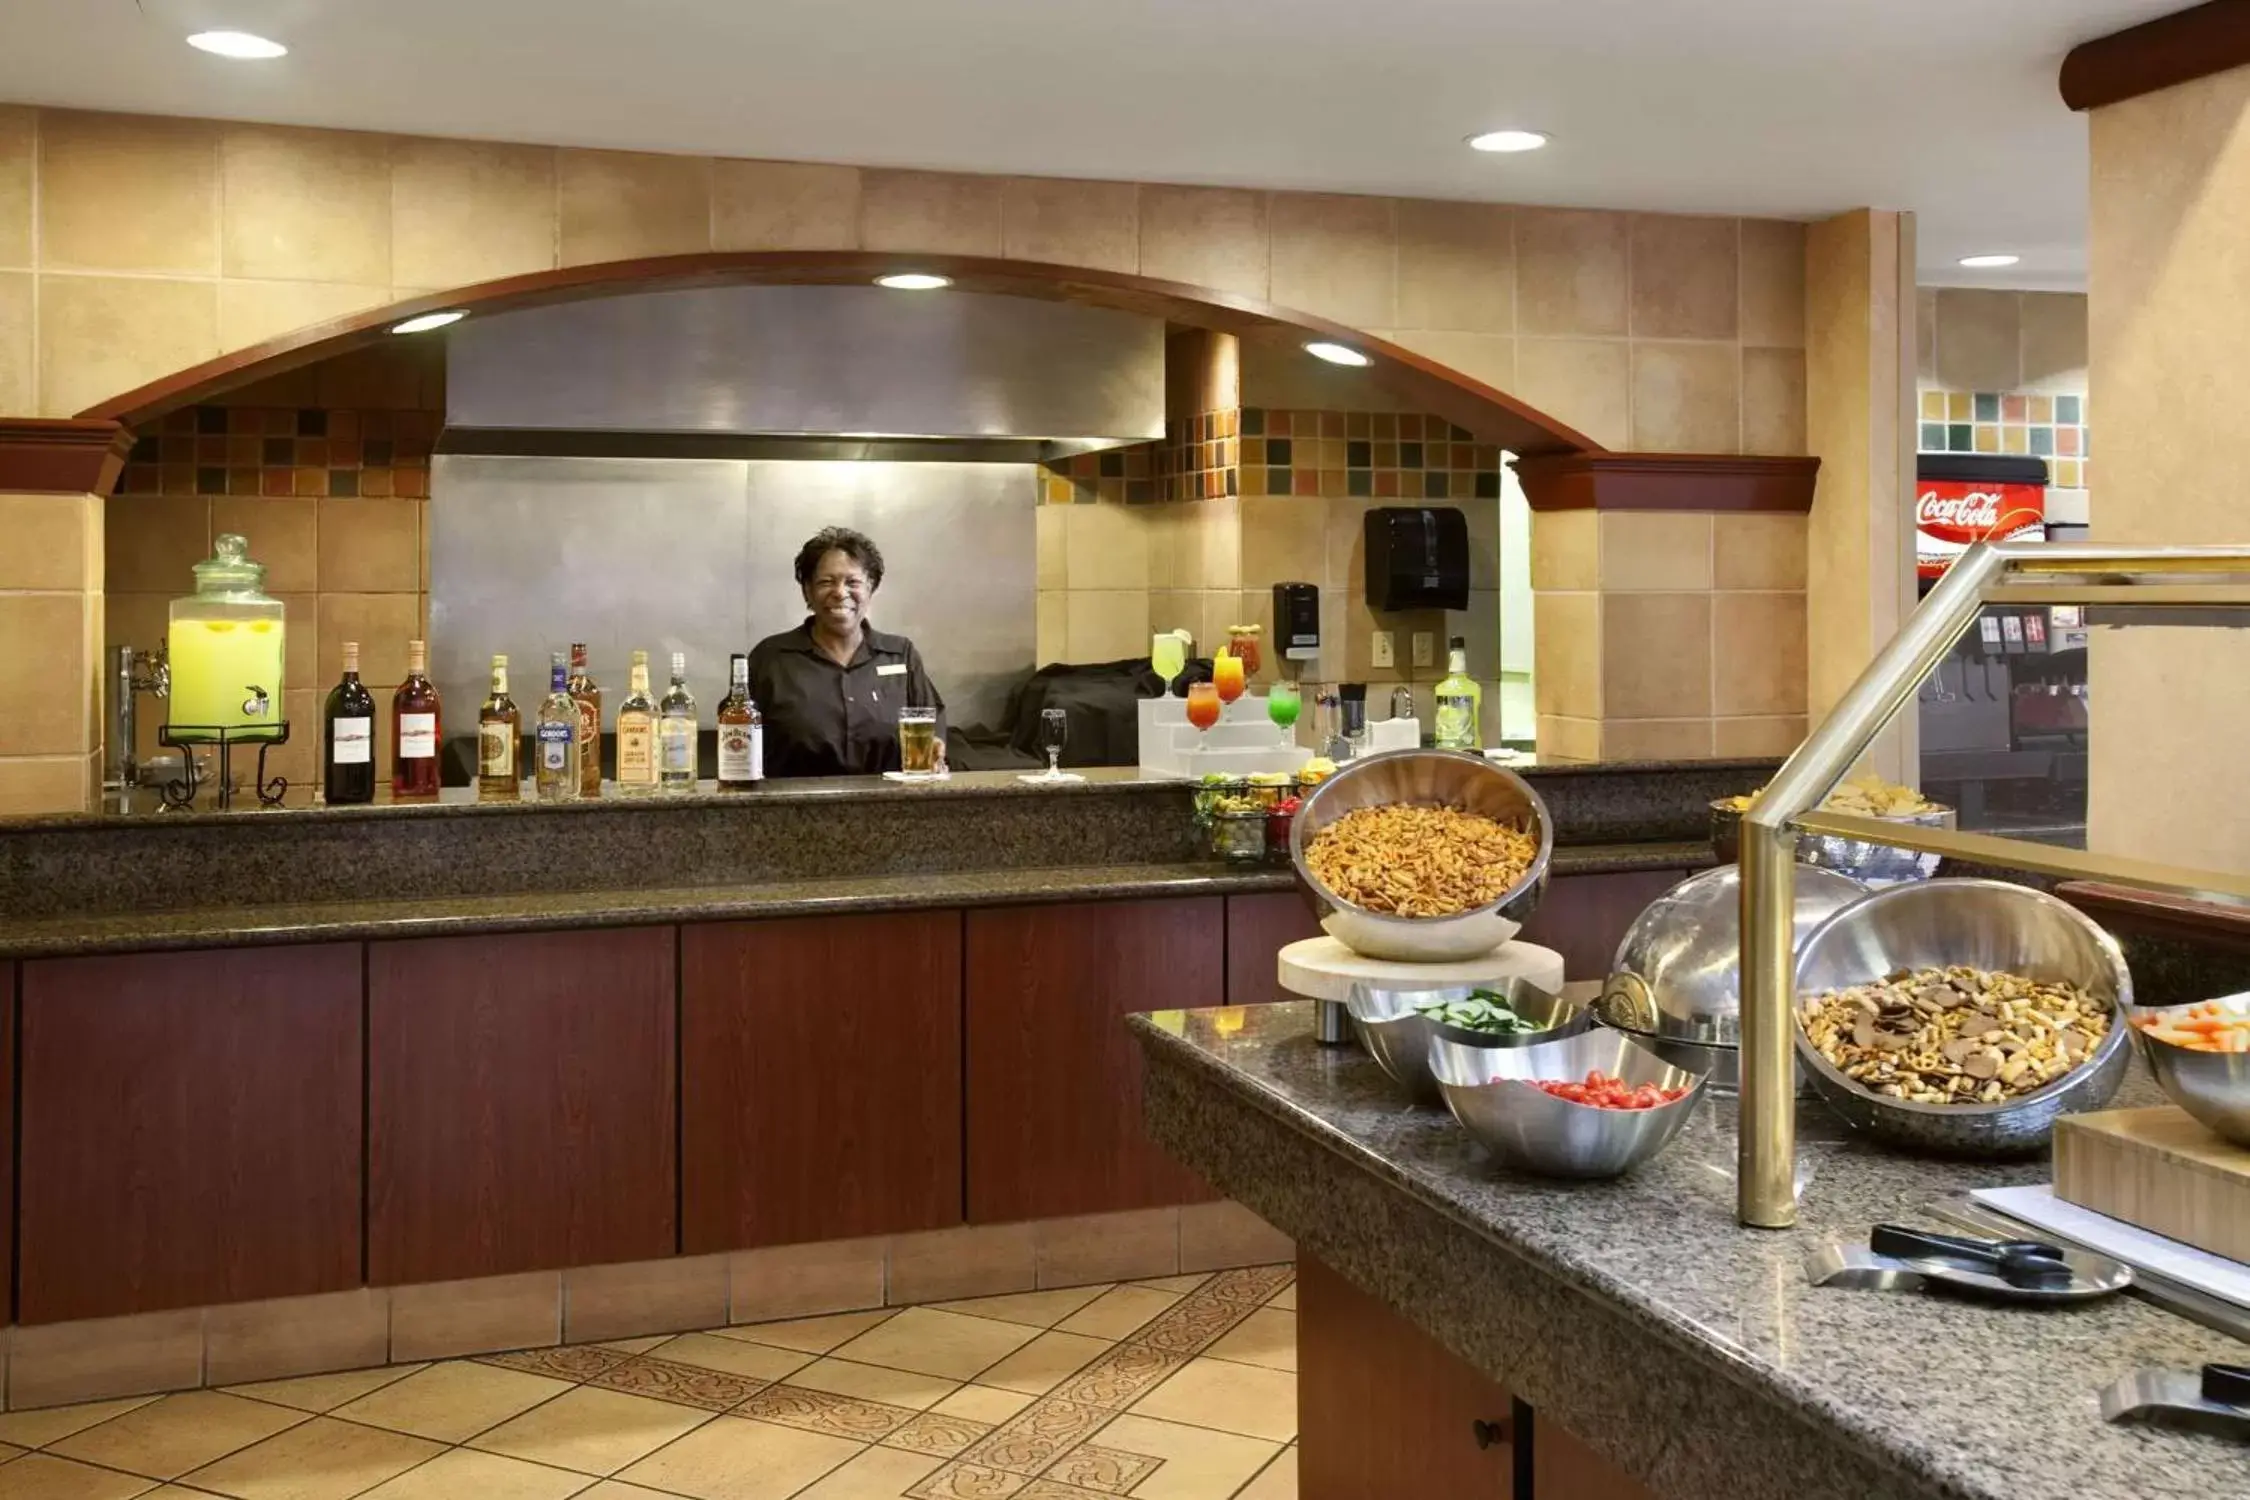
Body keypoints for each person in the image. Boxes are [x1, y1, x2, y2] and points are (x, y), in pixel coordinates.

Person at [748, 526, 945, 777]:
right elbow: (736, 738)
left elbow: (931, 722)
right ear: (807, 590)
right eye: (826, 582)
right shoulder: (771, 658)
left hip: (891, 807)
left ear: (870, 587)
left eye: (853, 582)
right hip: (793, 808)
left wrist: (936, 747)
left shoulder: (900, 654)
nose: (840, 593)